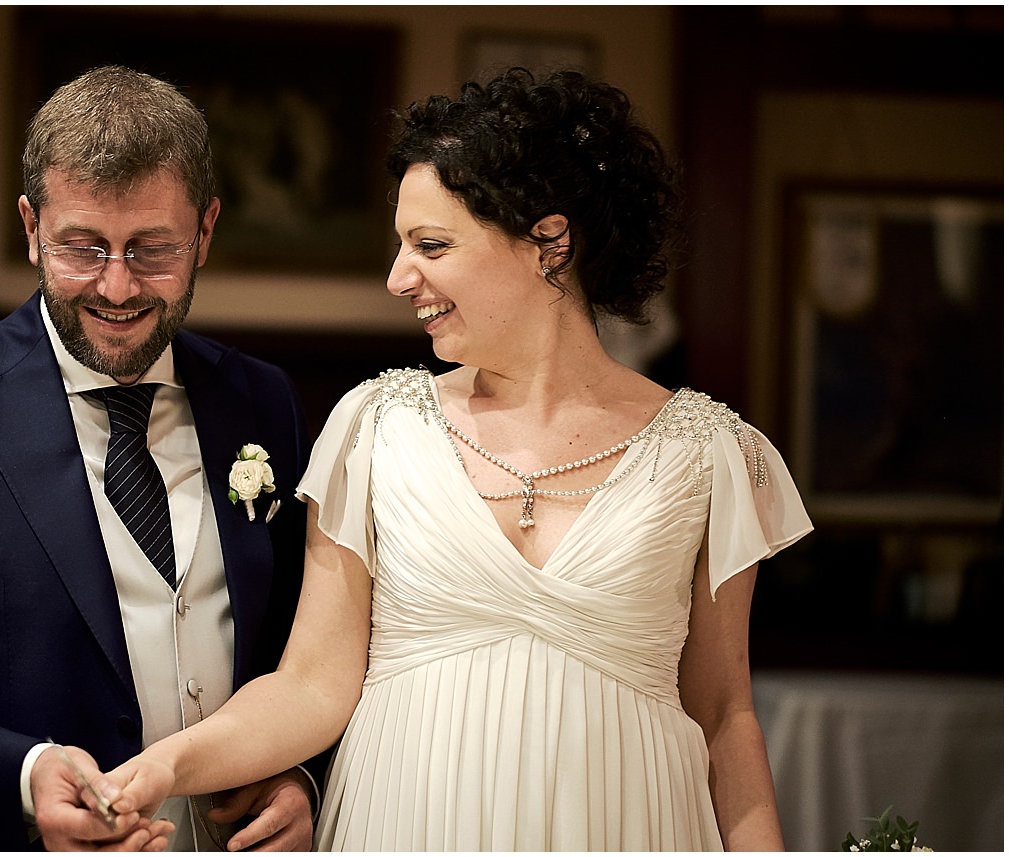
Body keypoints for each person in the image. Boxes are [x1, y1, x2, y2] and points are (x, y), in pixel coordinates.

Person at [87, 67, 815, 852]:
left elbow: (723, 715)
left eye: (430, 244)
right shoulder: (377, 426)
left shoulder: (706, 453)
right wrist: (167, 765)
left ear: (549, 242)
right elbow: (311, 685)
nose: (399, 278)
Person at [0, 65, 321, 852]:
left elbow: (303, 650)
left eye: (153, 249)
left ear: (207, 232)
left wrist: (298, 772)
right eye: (84, 246)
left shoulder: (262, 399)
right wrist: (21, 772)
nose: (117, 286)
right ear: (31, 225)